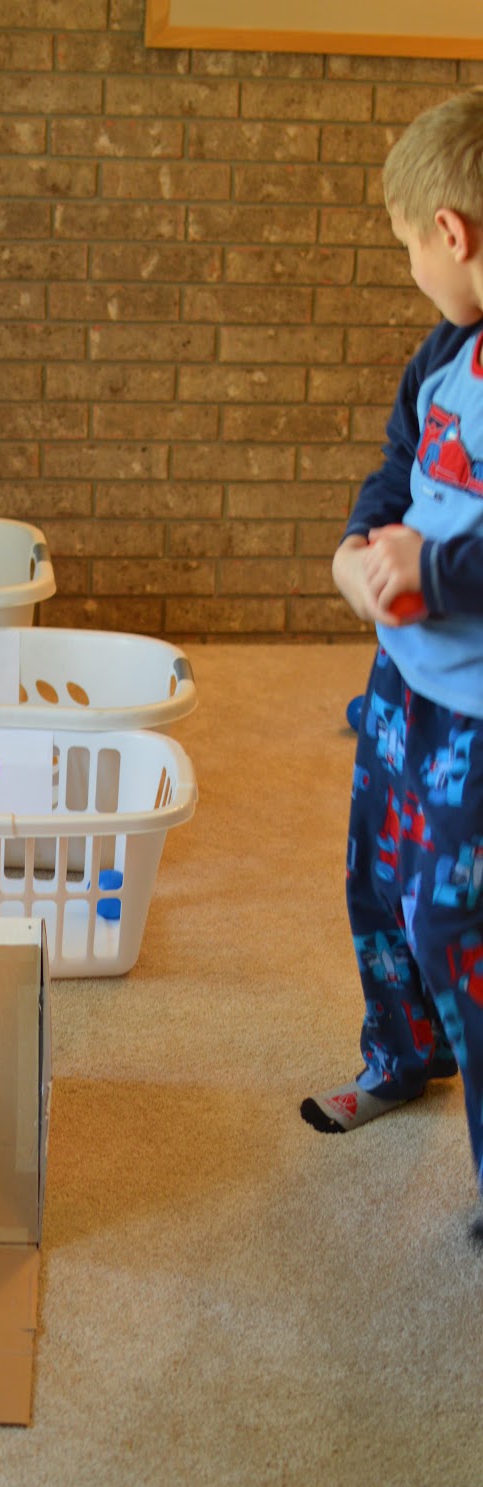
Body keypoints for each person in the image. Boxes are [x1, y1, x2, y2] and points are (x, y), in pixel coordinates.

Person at [300, 88, 483, 1227]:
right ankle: (401, 1054)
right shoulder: (440, 350)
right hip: (401, 689)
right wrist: (354, 551)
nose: (411, 265)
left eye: (409, 245)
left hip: (475, 719)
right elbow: (391, 467)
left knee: (449, 921)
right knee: (376, 884)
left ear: (450, 231)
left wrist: (434, 573)